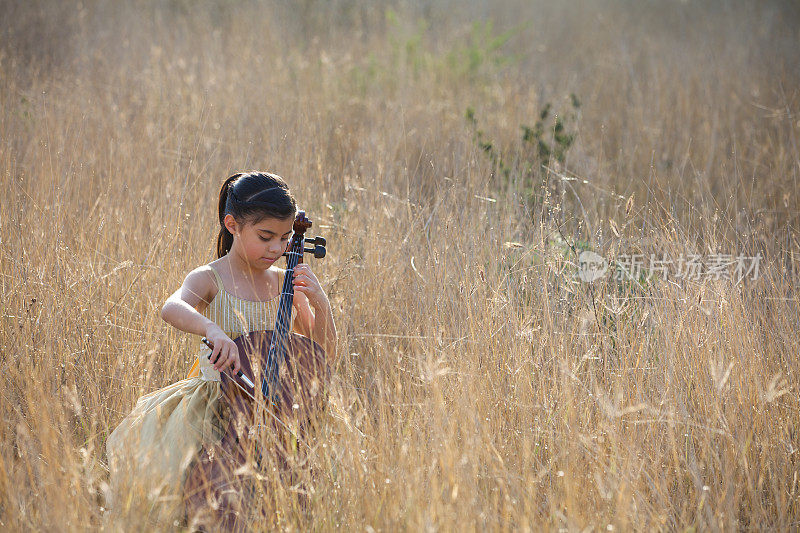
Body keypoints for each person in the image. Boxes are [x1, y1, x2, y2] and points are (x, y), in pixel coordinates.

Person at [106, 171, 337, 529]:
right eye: (266, 237)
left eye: (285, 238)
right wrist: (211, 329)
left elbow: (320, 351)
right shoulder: (210, 277)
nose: (277, 248)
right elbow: (172, 307)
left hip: (273, 406)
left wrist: (320, 304)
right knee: (185, 485)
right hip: (214, 403)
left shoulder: (284, 283)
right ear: (232, 225)